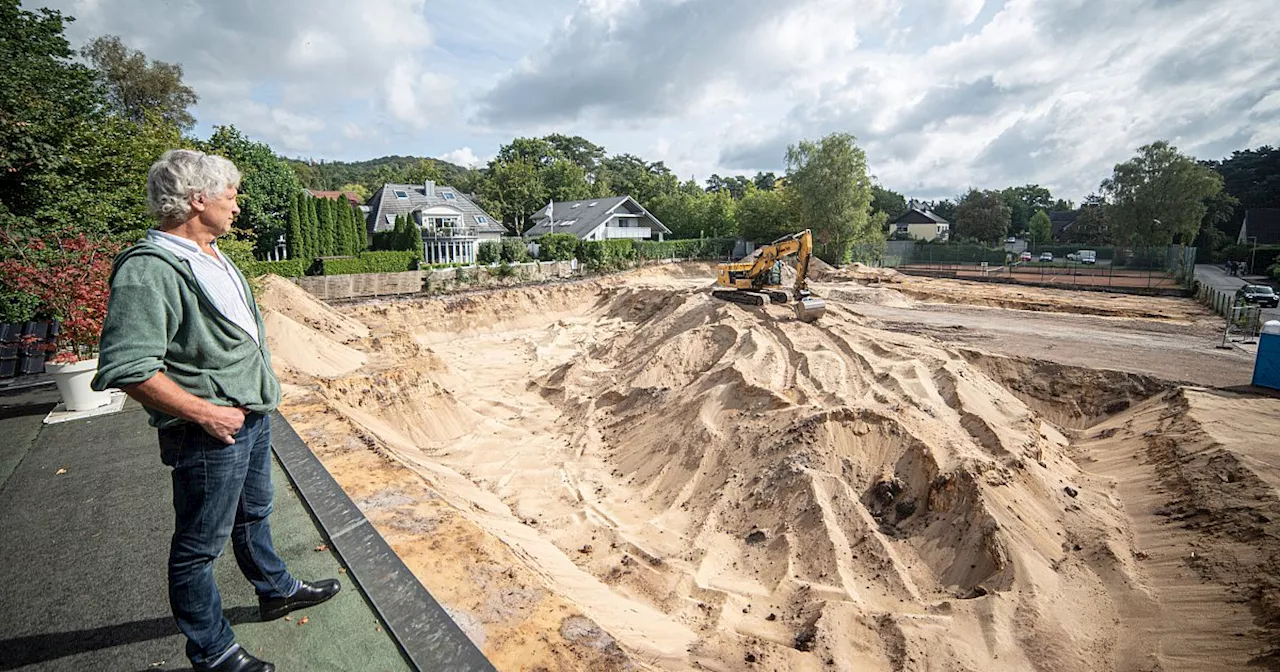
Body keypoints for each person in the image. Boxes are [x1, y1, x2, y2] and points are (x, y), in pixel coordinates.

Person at [92, 149, 340, 672]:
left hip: (249, 417)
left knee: (253, 514)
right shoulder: (150, 270)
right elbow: (127, 366)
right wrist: (205, 413)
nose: (237, 203)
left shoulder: (212, 256)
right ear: (197, 198)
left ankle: (276, 589)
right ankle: (213, 651)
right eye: (230, 193)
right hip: (210, 432)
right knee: (198, 547)